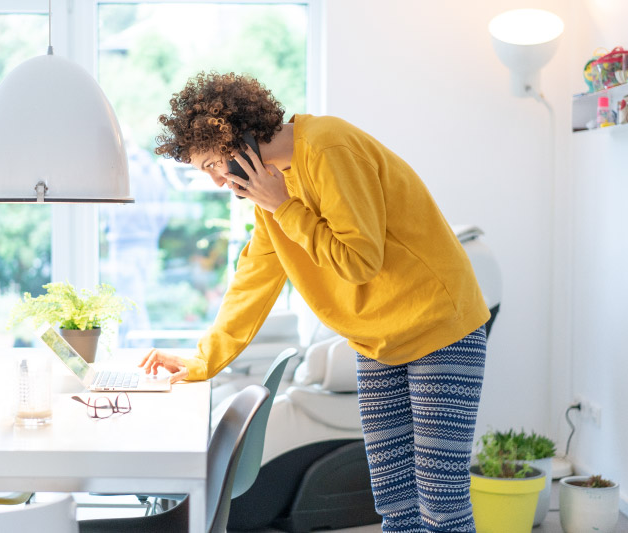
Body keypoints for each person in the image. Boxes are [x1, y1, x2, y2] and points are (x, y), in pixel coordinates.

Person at [140, 71, 489, 533]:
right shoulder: (269, 189)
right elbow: (254, 280)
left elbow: (360, 261)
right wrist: (203, 361)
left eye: (209, 165)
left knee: (440, 504)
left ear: (233, 137)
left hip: (439, 328)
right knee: (394, 502)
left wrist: (283, 205)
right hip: (377, 342)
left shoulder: (326, 147)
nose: (217, 182)